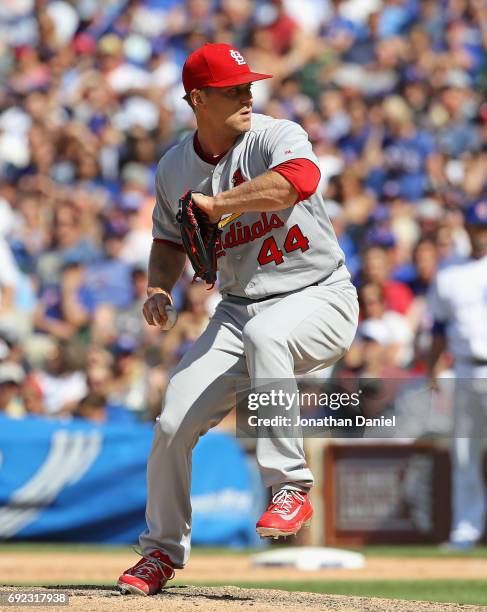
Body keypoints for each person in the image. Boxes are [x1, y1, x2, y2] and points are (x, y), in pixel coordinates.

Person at [117, 43, 359, 596]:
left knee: (268, 334)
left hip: (319, 294)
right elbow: (168, 240)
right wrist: (159, 284)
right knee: (172, 423)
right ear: (198, 99)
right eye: (232, 88)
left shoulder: (275, 135)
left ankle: (289, 486)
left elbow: (298, 180)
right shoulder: (175, 167)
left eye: (249, 84)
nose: (248, 94)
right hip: (237, 308)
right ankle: (160, 553)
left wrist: (218, 205)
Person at [428, 199, 487, 549]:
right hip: (465, 368)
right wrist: (433, 366)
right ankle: (466, 529)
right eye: (476, 227)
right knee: (464, 453)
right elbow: (438, 326)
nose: (481, 234)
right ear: (466, 228)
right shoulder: (449, 272)